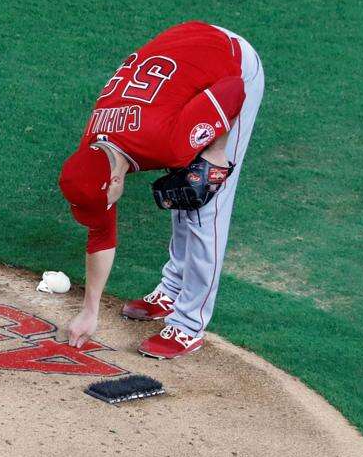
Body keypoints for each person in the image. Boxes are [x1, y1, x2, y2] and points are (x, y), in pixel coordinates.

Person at [59, 21, 264, 359]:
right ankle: (171, 290)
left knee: (204, 201)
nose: (103, 211)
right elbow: (100, 233)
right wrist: (89, 311)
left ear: (113, 182)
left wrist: (215, 154)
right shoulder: (93, 149)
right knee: (182, 182)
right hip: (182, 63)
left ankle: (188, 325)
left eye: (103, 201)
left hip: (231, 61)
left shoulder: (165, 142)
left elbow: (232, 90)